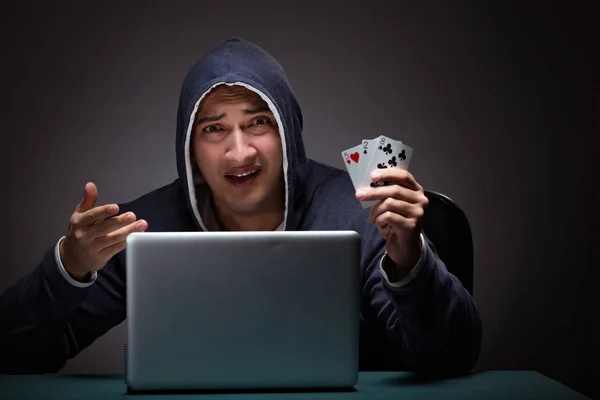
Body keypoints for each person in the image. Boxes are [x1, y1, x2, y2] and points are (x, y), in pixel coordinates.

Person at [0, 38, 482, 376]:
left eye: (258, 123)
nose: (239, 153)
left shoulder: (361, 208)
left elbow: (451, 357)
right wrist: (67, 270)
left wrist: (411, 260)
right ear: (189, 147)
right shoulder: (139, 228)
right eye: (213, 128)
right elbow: (14, 355)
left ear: (288, 133)